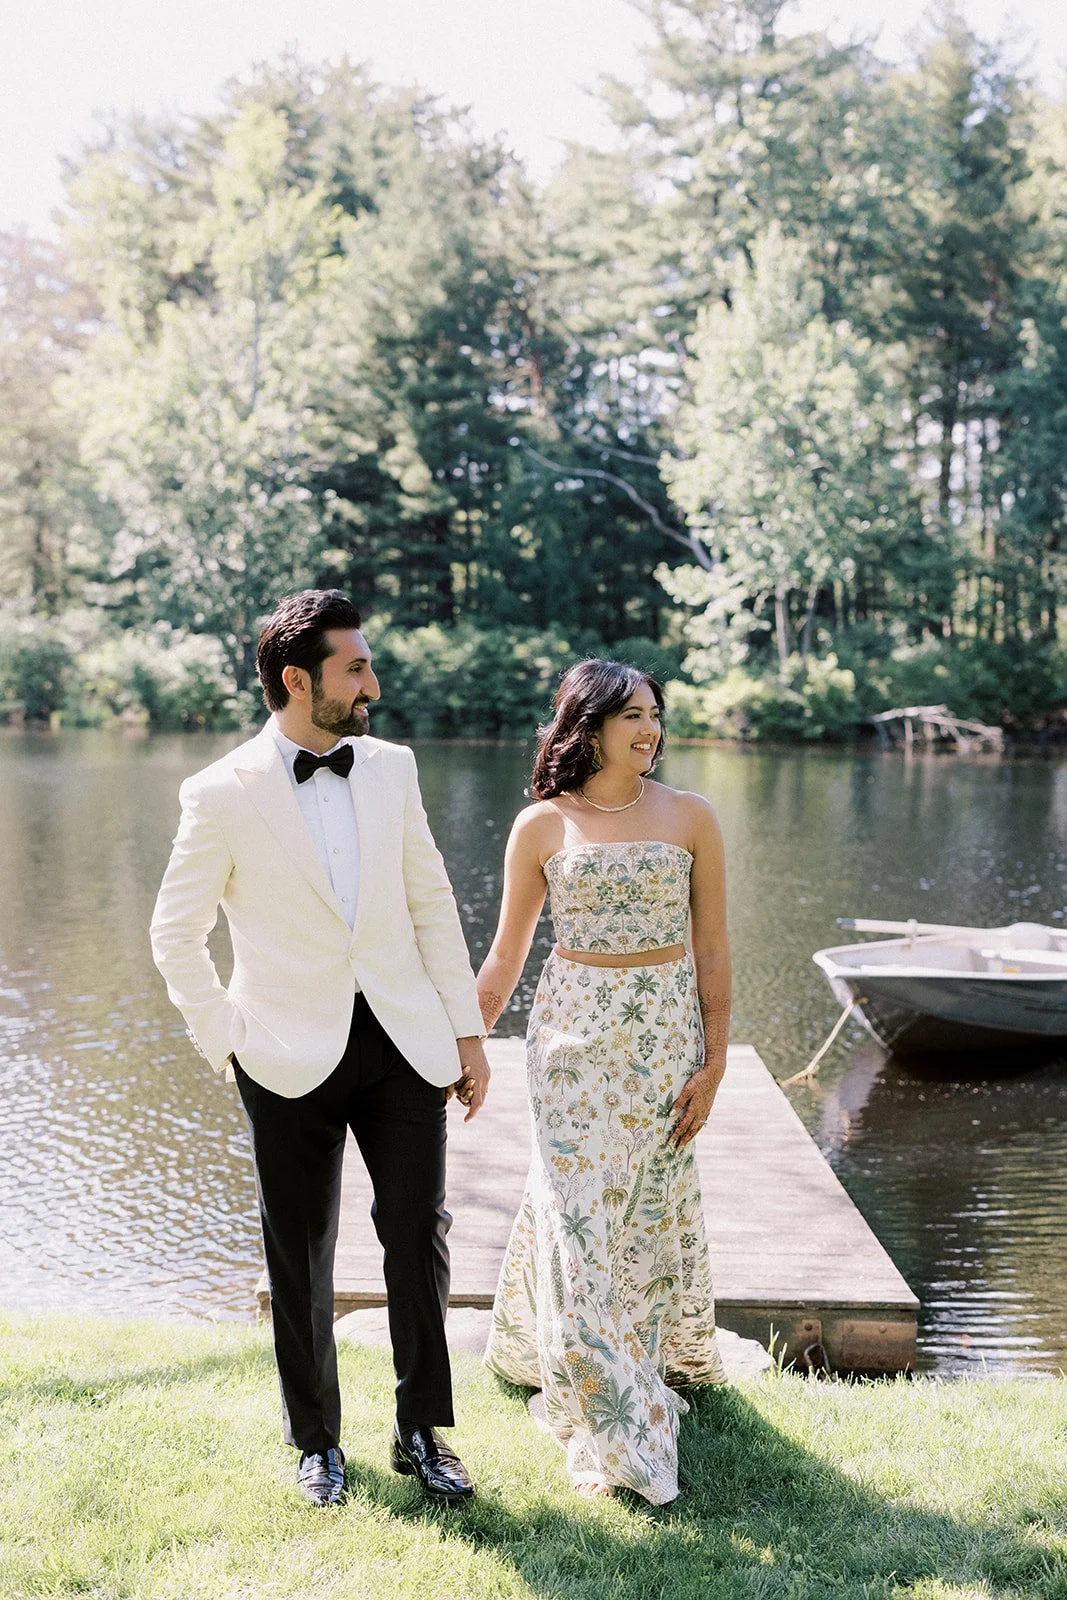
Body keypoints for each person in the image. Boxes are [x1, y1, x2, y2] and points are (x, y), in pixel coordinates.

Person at [150, 590, 490, 1508]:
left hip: (402, 1040)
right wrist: (226, 1040)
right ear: (298, 681)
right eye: (356, 668)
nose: (373, 684)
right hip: (283, 1051)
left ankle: (422, 1432)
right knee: (298, 1254)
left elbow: (429, 903)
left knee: (415, 1230)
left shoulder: (392, 769)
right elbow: (173, 935)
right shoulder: (219, 793)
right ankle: (317, 1443)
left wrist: (466, 1033)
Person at [476, 659, 729, 1504]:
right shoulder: (542, 826)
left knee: (643, 1209)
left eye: (655, 715)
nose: (650, 730)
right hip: (569, 1045)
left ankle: (620, 1356)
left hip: (664, 1040)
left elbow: (713, 948)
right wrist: (463, 1040)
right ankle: (615, 1415)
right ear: (586, 725)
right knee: (576, 1216)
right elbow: (506, 957)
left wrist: (716, 1061)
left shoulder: (692, 817)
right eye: (632, 717)